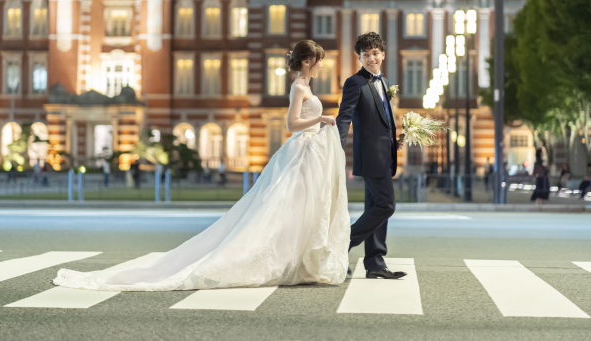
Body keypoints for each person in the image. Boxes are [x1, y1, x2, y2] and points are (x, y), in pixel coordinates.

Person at [54, 39, 349, 291]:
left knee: (299, 209)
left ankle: (298, 260)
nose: (322, 65)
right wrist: (320, 119)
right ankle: (283, 260)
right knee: (283, 207)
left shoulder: (306, 85)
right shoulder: (299, 87)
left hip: (309, 153)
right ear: (308, 61)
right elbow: (291, 123)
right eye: (319, 61)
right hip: (300, 151)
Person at [336, 32, 406, 280]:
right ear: (360, 58)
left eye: (375, 53)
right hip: (370, 156)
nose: (371, 58)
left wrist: (394, 140)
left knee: (375, 206)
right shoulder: (354, 83)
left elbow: (382, 120)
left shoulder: (385, 82)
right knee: (387, 205)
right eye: (366, 55)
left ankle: (375, 261)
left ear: (383, 54)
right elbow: (344, 117)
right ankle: (341, 246)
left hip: (385, 155)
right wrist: (337, 145)